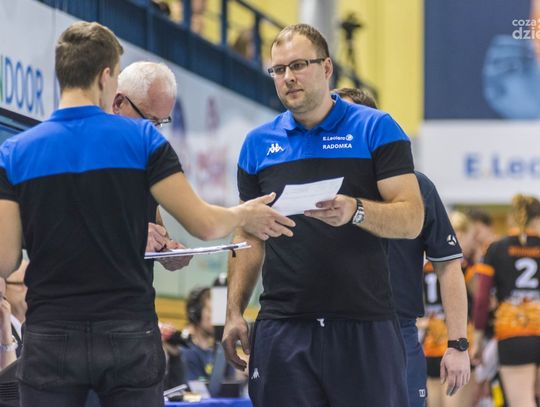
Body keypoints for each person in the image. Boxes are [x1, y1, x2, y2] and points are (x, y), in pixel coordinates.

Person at [0, 21, 294, 407]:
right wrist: (244, 213)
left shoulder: (15, 152)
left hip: (51, 336)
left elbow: (5, 259)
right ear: (106, 76)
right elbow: (204, 224)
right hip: (126, 334)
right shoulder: (142, 140)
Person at [222, 24, 424, 406]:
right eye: (278, 69)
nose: (288, 77)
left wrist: (357, 210)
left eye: (298, 65)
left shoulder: (376, 128)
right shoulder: (257, 144)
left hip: (363, 323)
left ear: (327, 67)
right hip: (284, 326)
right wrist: (233, 312)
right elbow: (247, 235)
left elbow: (412, 219)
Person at [334, 87, 470, 407]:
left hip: (397, 331)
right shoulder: (320, 186)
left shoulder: (417, 187)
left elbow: (448, 266)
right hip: (331, 331)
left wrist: (458, 344)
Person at [112, 61, 191, 272]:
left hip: (138, 290)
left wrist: (165, 249)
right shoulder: (88, 153)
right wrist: (134, 236)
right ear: (119, 103)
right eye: (150, 120)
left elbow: (149, 215)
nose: (154, 131)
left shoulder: (146, 156)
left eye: (161, 123)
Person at [473, 194, 540, 407]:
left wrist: (477, 339)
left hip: (514, 332)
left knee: (522, 402)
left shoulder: (496, 248)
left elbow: (482, 299)